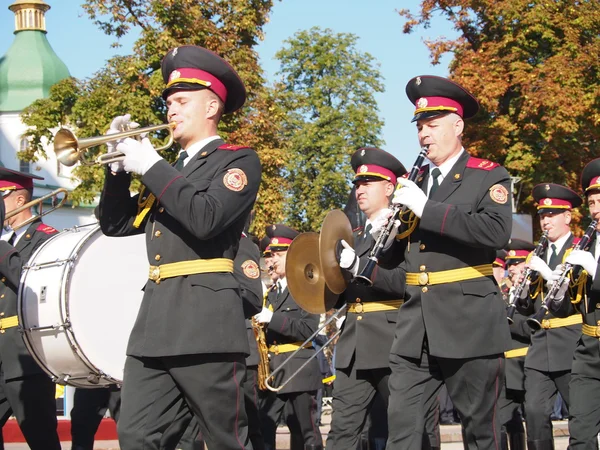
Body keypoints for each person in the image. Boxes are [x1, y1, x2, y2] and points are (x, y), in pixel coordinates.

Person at [97, 45, 262, 450]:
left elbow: (204, 219)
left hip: (207, 325)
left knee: (224, 439)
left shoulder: (237, 160)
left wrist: (152, 166)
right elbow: (116, 225)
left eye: (182, 101)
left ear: (211, 107)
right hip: (156, 324)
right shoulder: (173, 174)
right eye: (169, 102)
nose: (170, 110)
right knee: (135, 434)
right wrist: (117, 174)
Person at [375, 75, 513, 449]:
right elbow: (394, 258)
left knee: (481, 432)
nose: (424, 135)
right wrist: (387, 233)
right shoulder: (415, 181)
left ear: (458, 125)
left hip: (467, 321)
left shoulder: (487, 175)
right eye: (420, 127)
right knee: (401, 432)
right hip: (415, 326)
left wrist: (426, 209)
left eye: (433, 126)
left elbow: (495, 233)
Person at [325, 147, 408, 450]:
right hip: (354, 345)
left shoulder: (402, 230)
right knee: (341, 434)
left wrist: (359, 268)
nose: (359, 190)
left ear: (389, 188)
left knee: (405, 429)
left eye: (368, 183)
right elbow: (340, 294)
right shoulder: (356, 237)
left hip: (391, 339)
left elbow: (405, 282)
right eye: (357, 184)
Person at [516, 183, 582, 450]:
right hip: (540, 346)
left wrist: (545, 273)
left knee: (579, 415)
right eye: (543, 215)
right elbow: (526, 306)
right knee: (533, 412)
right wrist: (522, 288)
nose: (545, 221)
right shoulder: (536, 254)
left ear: (567, 217)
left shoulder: (579, 251)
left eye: (552, 214)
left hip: (572, 344)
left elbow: (574, 300)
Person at [0, 168, 61, 450]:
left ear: (18, 199)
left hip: (26, 353)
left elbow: (33, 282)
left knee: (41, 438)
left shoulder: (47, 238)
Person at [545, 157, 600, 448]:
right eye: (592, 203)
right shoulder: (587, 244)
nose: (596, 210)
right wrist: (560, 289)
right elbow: (570, 307)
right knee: (580, 434)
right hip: (589, 349)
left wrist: (595, 270)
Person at [255, 224, 322, 450]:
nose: (270, 260)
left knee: (306, 435)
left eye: (277, 254)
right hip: (272, 373)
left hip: (298, 368)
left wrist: (270, 318)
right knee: (263, 431)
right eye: (268, 255)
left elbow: (308, 330)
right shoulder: (270, 293)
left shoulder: (306, 286)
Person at [500, 243, 533, 450]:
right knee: (503, 420)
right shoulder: (502, 291)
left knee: (536, 420)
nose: (511, 268)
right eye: (510, 264)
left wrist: (506, 323)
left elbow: (534, 328)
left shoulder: (535, 289)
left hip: (528, 363)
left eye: (517, 263)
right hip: (506, 367)